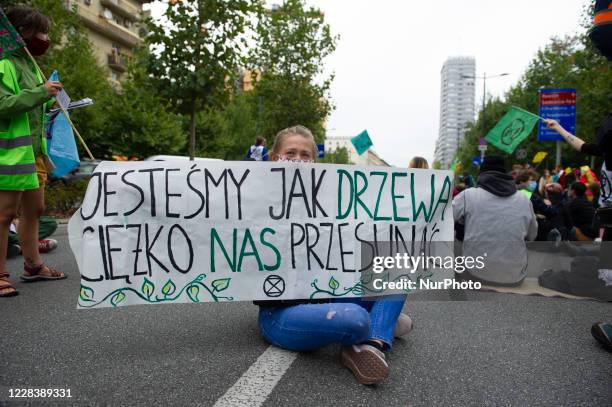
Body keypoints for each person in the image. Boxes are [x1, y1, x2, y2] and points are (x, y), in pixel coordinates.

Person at [255, 125, 412, 385]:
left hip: (329, 294)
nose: (297, 160)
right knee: (356, 319)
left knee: (399, 266)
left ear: (315, 161)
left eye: (305, 155)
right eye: (290, 153)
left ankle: (372, 344)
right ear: (274, 157)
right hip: (282, 313)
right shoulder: (254, 202)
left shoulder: (332, 199)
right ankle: (380, 323)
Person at [0, 6, 66, 297]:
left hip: (33, 153)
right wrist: (41, 92)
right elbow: (4, 104)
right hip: (10, 154)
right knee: (4, 215)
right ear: (20, 33)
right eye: (40, 31)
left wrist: (52, 104)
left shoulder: (31, 65)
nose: (45, 38)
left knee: (34, 210)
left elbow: (32, 108)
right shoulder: (4, 63)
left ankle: (34, 265)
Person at [453, 156, 538, 286]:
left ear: (480, 175)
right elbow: (532, 235)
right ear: (506, 175)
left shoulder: (468, 195)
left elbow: (443, 221)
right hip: (514, 277)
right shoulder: (524, 199)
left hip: (475, 275)